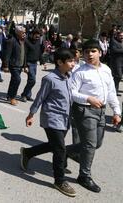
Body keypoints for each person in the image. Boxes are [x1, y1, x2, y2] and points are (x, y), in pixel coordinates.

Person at [66, 39, 121, 193]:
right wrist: (88, 98)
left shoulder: (106, 70)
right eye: (86, 51)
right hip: (84, 111)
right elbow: (72, 92)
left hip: (101, 111)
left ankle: (65, 151)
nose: (89, 54)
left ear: (100, 52)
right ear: (82, 54)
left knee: (96, 144)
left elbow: (111, 92)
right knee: (90, 145)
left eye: (93, 51)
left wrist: (117, 112)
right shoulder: (79, 72)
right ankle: (84, 176)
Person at [20, 48, 76, 197]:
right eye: (70, 61)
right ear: (59, 62)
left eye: (73, 60)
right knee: (60, 149)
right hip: (52, 119)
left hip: (65, 119)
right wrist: (31, 114)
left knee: (54, 145)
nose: (73, 64)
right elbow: (40, 97)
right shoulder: (50, 79)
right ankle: (59, 180)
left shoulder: (69, 77)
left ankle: (28, 152)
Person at [3, 25, 27, 105]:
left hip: (20, 65)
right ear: (18, 33)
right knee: (17, 80)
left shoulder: (23, 41)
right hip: (13, 65)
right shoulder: (12, 41)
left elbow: (24, 54)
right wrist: (5, 66)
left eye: (25, 32)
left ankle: (9, 96)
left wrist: (25, 65)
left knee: (13, 80)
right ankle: (12, 97)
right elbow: (7, 54)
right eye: (22, 32)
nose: (24, 34)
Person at [21, 29, 43, 102]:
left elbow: (39, 52)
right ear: (32, 34)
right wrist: (25, 66)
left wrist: (42, 61)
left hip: (35, 63)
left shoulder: (38, 42)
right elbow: (25, 55)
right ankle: (24, 94)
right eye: (36, 35)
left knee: (30, 80)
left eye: (39, 35)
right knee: (32, 80)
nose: (38, 36)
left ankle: (28, 95)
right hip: (29, 63)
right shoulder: (27, 42)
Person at [109, 30, 123, 96]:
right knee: (118, 76)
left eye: (122, 36)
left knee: (118, 77)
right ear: (117, 36)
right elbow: (114, 50)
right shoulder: (114, 42)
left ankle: (115, 90)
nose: (121, 37)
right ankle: (114, 90)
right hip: (117, 62)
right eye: (120, 36)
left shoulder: (122, 42)